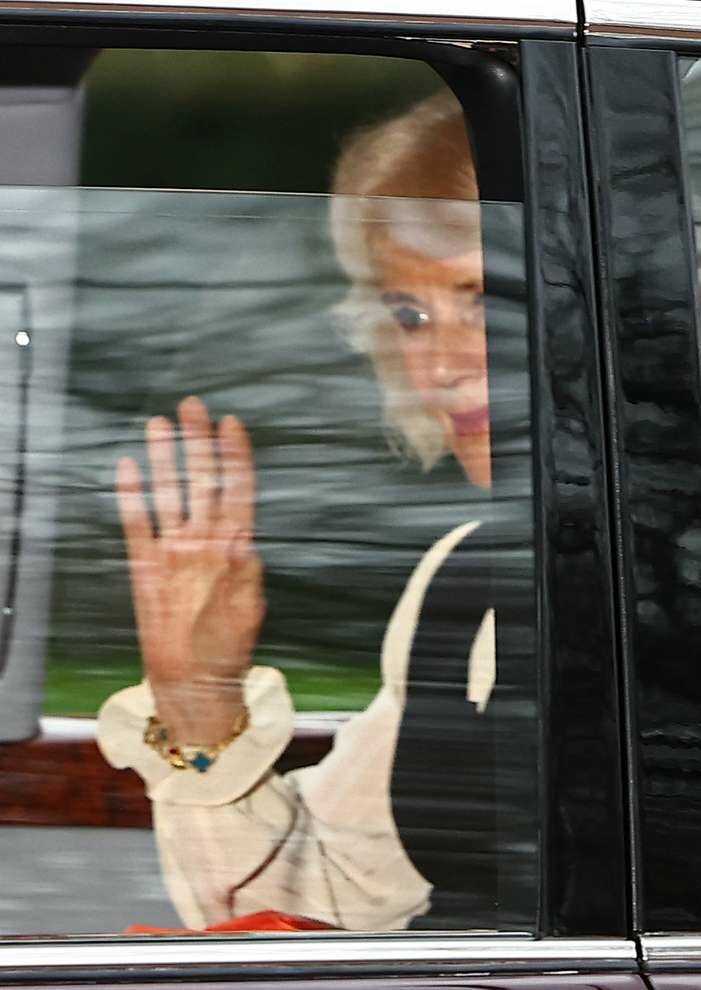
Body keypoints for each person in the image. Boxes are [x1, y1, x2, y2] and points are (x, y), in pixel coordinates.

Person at [95, 91, 519, 932]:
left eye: (482, 299)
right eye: (410, 314)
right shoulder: (467, 578)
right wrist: (199, 703)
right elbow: (328, 897)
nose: (437, 366)